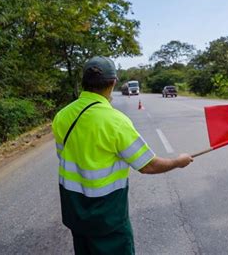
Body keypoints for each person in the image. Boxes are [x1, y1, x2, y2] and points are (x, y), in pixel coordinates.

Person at [52, 56, 193, 255]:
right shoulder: (115, 121)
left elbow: (64, 157)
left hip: (75, 212)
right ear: (113, 82)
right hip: (106, 215)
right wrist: (178, 161)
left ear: (83, 81)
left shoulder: (62, 116)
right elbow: (148, 165)